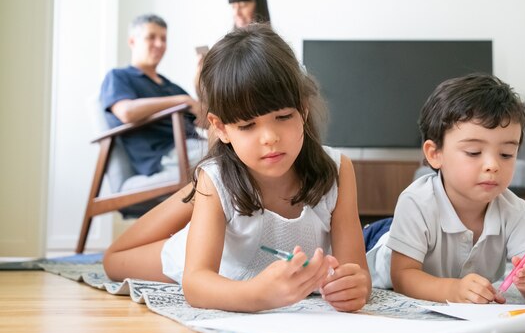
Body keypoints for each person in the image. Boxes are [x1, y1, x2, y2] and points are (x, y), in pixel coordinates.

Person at [103, 24, 371, 313]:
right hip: (205, 242)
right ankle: (200, 191)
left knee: (213, 181)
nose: (270, 138)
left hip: (222, 191)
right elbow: (196, 284)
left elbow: (357, 273)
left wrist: (355, 286)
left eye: (283, 116)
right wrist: (257, 294)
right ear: (221, 129)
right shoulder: (215, 181)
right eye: (247, 125)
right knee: (114, 260)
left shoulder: (338, 171)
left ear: (303, 110)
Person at [366, 73, 525, 304]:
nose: (493, 166)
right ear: (435, 154)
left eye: (506, 154)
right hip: (379, 240)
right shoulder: (416, 201)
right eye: (474, 153)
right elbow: (402, 276)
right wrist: (452, 291)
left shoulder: (513, 209)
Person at [100, 14, 204, 178]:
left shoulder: (171, 86)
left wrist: (200, 85)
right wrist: (181, 101)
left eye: (163, 39)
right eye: (151, 37)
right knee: (231, 157)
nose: (159, 44)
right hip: (165, 156)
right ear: (132, 41)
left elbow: (207, 122)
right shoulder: (118, 77)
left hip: (195, 146)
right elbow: (126, 112)